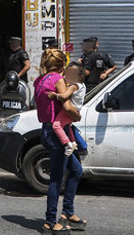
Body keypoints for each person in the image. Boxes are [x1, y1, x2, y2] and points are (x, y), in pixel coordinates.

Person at [34, 49, 86, 234]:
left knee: (76, 170)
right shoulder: (58, 80)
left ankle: (68, 213)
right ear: (62, 64)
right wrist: (76, 115)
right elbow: (66, 105)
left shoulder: (38, 80)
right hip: (58, 133)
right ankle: (50, 222)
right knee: (56, 179)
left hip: (48, 130)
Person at [48, 62, 87, 157]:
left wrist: (55, 95)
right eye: (67, 74)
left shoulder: (74, 86)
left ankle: (68, 144)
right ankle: (73, 142)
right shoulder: (82, 85)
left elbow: (64, 96)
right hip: (76, 110)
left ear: (81, 77)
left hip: (70, 110)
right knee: (67, 126)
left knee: (56, 126)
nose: (67, 77)